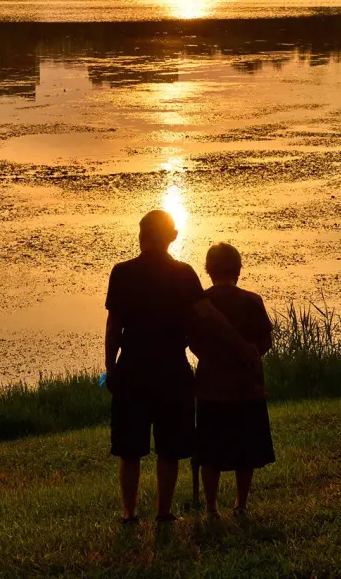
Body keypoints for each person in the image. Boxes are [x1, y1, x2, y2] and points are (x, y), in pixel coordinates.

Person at [104, 210, 204, 524]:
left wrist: (110, 367)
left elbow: (113, 326)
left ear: (143, 235)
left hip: (132, 366)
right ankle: (164, 512)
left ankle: (129, 513)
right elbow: (198, 321)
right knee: (170, 447)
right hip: (172, 367)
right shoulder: (185, 273)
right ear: (170, 237)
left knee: (130, 448)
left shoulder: (121, 272)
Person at [190, 242, 275, 520]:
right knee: (246, 450)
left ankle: (212, 506)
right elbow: (265, 341)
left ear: (208, 270)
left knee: (210, 451)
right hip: (247, 388)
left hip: (211, 388)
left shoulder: (201, 302)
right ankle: (241, 503)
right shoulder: (252, 301)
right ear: (238, 269)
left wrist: (213, 357)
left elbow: (193, 342)